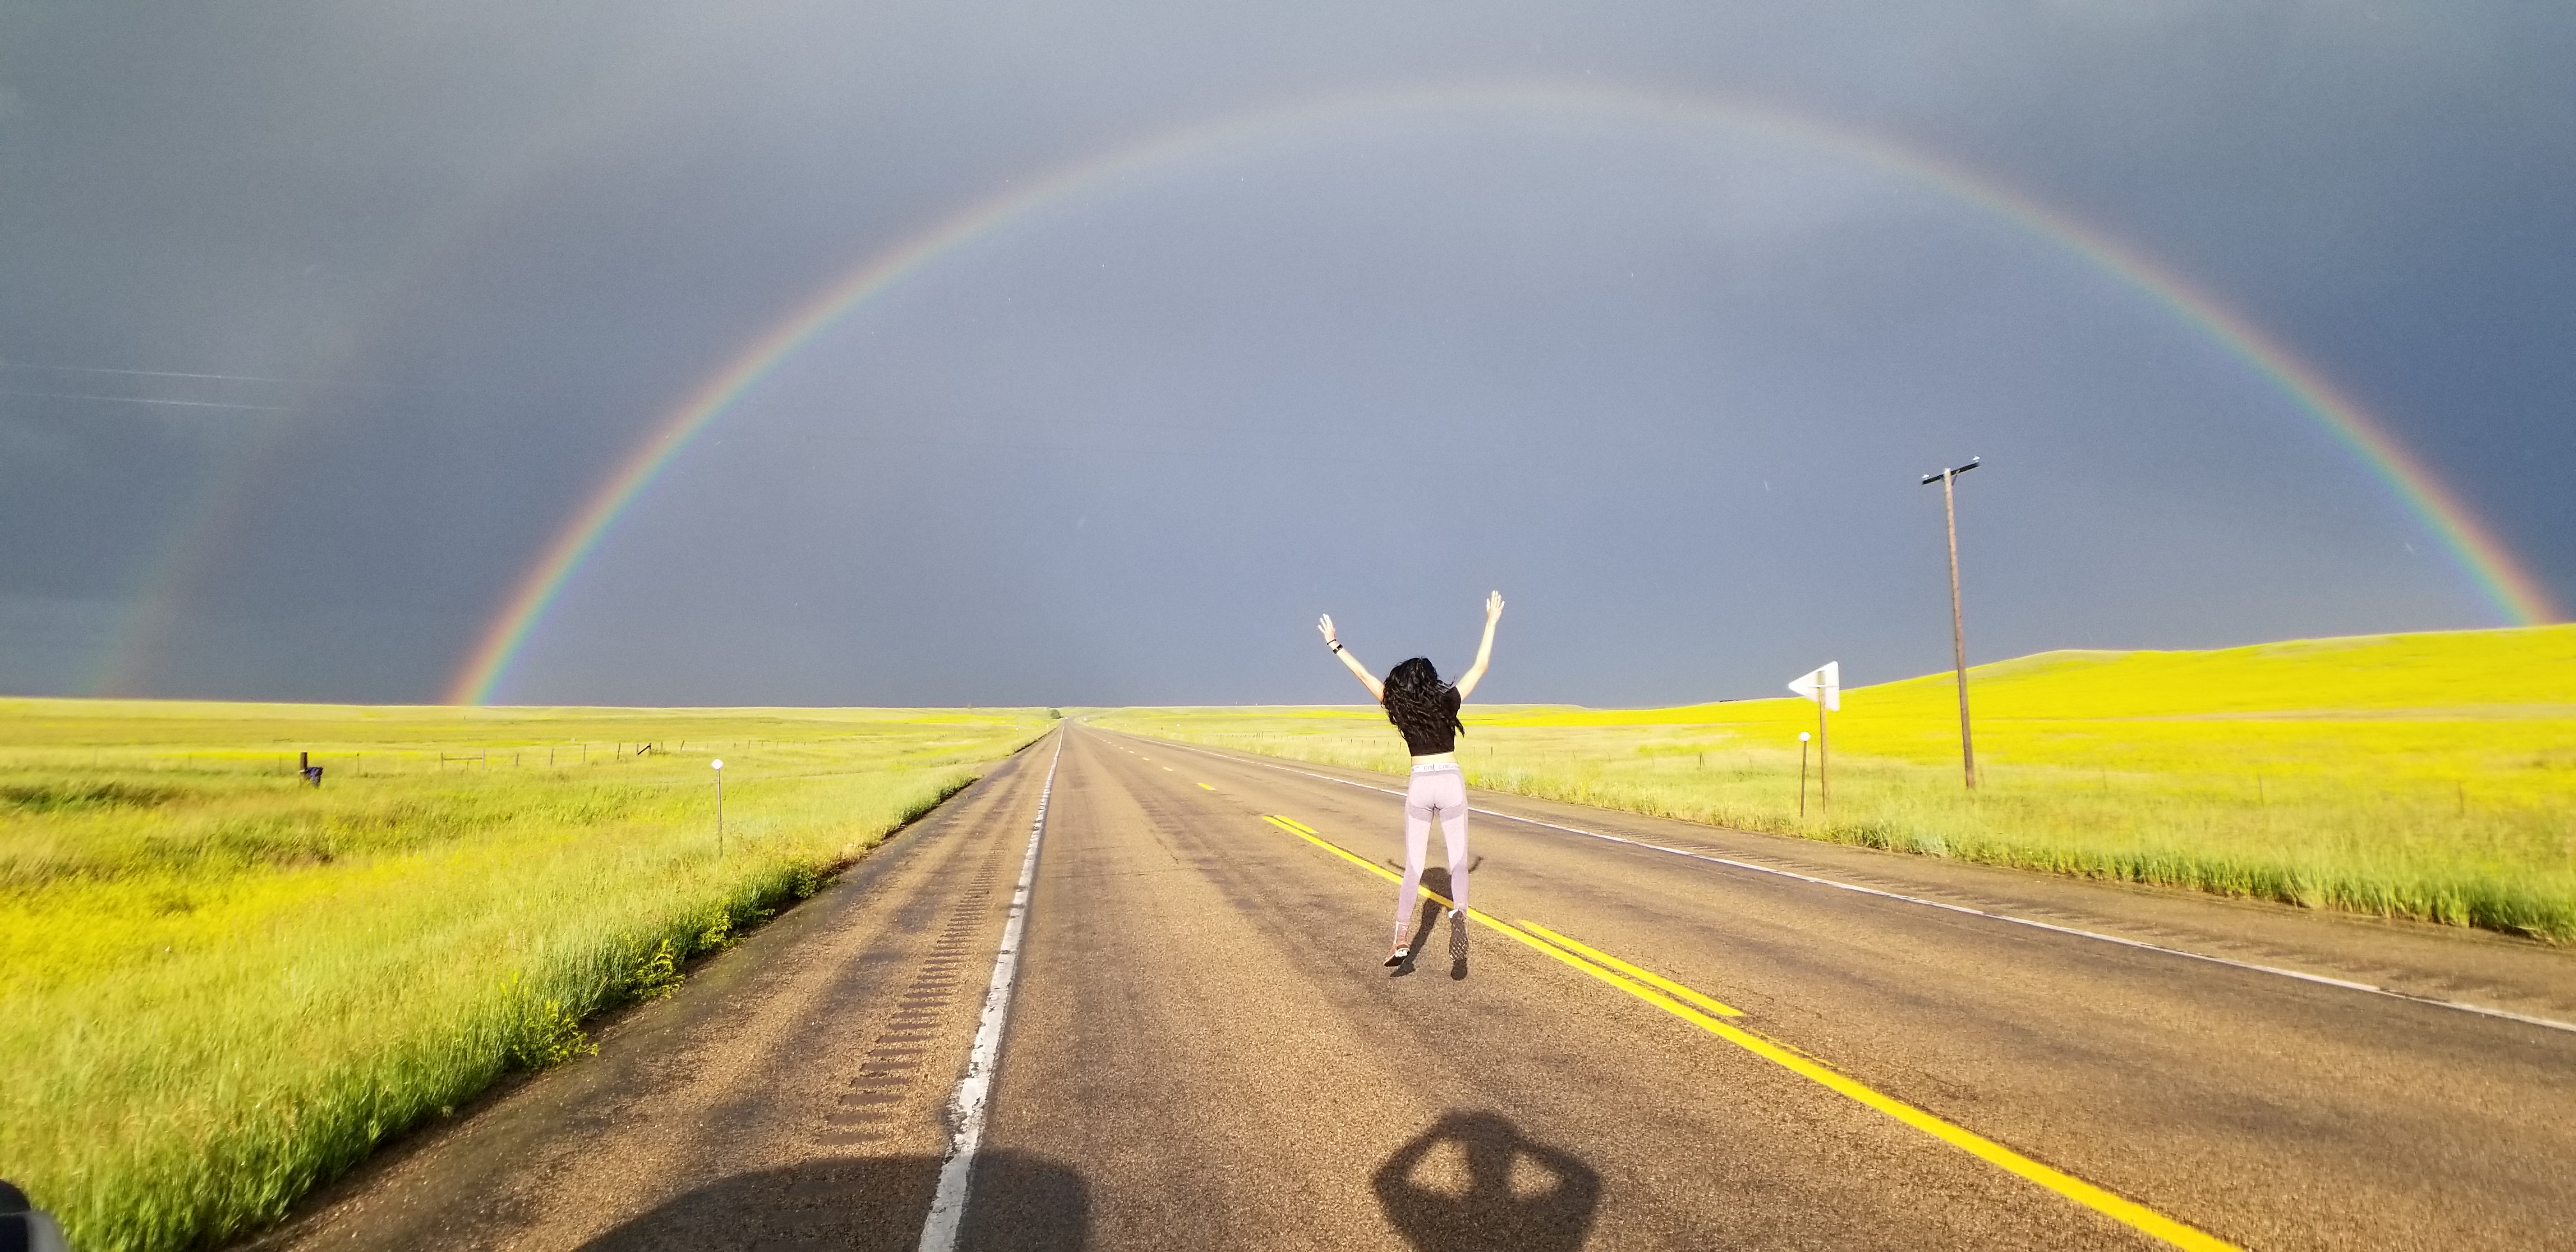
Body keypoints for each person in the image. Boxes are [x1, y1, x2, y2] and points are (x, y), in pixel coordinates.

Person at [1318, 591, 1504, 972]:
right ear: (1431, 680)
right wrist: (1490, 622)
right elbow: (1481, 665)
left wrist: (1334, 643)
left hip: (1420, 784)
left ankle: (1402, 938)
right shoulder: (1448, 700)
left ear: (1402, 684)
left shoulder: (1396, 704)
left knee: (1413, 868)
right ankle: (1460, 920)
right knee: (1456, 865)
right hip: (1450, 781)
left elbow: (1362, 674)